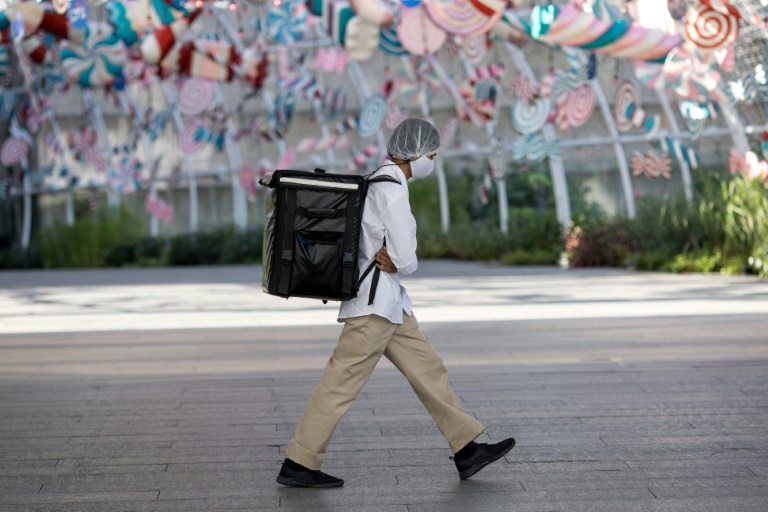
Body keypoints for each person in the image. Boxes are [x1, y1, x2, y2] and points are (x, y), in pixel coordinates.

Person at [276, 118, 515, 488]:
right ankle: (299, 462)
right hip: (374, 306)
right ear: (415, 154)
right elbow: (406, 258)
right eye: (432, 155)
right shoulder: (393, 190)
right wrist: (404, 260)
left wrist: (398, 260)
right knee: (339, 384)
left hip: (391, 304)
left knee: (429, 370)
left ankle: (467, 450)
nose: (433, 161)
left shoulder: (378, 180)